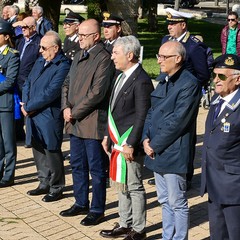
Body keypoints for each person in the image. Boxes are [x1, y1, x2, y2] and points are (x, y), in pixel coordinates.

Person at [142, 41, 202, 239]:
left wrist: (154, 144)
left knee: (177, 202)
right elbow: (151, 111)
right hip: (156, 149)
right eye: (159, 56)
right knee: (164, 200)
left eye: (163, 57)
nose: (158, 60)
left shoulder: (189, 83)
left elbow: (178, 121)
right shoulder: (165, 79)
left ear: (178, 59)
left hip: (173, 152)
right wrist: (145, 139)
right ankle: (168, 236)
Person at [60, 19, 114, 226]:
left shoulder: (103, 59)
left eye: (83, 35)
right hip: (74, 121)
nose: (79, 38)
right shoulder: (79, 55)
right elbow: (66, 83)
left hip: (92, 122)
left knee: (96, 168)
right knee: (77, 165)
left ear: (96, 36)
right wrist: (66, 107)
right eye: (79, 35)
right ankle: (80, 202)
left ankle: (97, 208)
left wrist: (74, 112)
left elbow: (97, 93)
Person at [100, 36, 154, 240]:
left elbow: (142, 115)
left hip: (129, 143)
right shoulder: (120, 75)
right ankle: (125, 223)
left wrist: (130, 143)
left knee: (134, 186)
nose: (112, 56)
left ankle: (139, 229)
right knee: (121, 184)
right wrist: (107, 134)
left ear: (129, 55)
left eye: (116, 53)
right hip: (116, 140)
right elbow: (113, 109)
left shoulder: (141, 80)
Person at [148, 7, 210, 187]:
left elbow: (202, 74)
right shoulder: (166, 41)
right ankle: (163, 167)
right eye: (168, 24)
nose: (169, 27)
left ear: (183, 25)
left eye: (173, 24)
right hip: (167, 92)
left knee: (185, 134)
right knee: (162, 126)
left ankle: (186, 174)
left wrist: (189, 90)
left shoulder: (193, 46)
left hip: (186, 95)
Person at [21, 31, 71, 202]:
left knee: (51, 149)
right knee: (37, 147)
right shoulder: (41, 60)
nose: (40, 50)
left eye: (43, 47)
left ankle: (56, 186)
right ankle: (43, 182)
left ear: (55, 48)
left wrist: (29, 106)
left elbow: (52, 92)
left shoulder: (63, 65)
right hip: (33, 112)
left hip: (49, 114)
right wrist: (25, 103)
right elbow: (28, 81)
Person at [200, 54, 240, 240]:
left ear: (237, 79)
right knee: (217, 235)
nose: (216, 80)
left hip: (234, 189)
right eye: (214, 76)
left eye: (222, 76)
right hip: (214, 183)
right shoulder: (217, 102)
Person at [13, 16, 41, 143]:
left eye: (25, 27)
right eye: (21, 27)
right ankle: (19, 134)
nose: (22, 29)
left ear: (33, 28)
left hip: (29, 81)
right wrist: (15, 25)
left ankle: (31, 138)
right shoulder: (20, 40)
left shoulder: (39, 42)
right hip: (16, 80)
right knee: (17, 108)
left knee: (27, 110)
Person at [0, 20, 20, 188]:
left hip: (5, 103)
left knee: (8, 142)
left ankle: (9, 175)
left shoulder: (12, 55)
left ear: (6, 37)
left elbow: (10, 81)